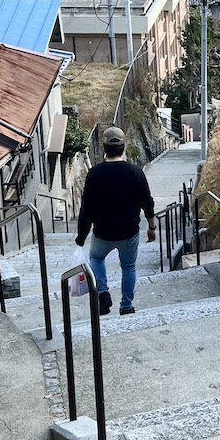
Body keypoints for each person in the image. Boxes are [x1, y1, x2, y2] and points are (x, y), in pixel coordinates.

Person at [75, 126, 157, 316]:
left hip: (102, 232)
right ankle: (126, 306)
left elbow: (86, 209)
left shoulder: (94, 174)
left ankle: (103, 292)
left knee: (96, 258)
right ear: (123, 146)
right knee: (128, 267)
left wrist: (81, 236)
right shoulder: (135, 172)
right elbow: (147, 201)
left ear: (104, 147)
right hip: (129, 232)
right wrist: (152, 227)